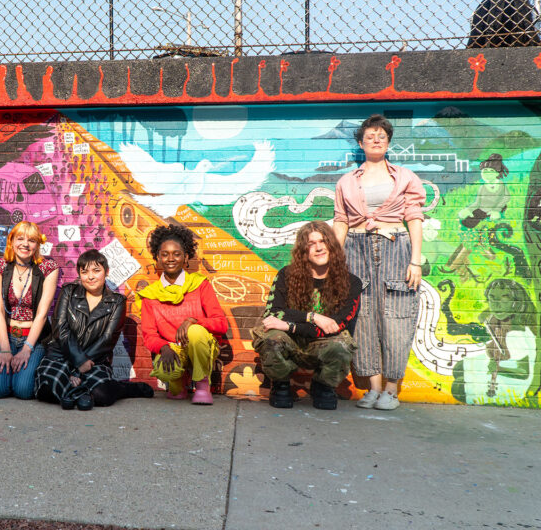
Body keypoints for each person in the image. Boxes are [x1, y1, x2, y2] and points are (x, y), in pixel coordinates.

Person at [333, 114, 425, 411]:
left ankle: (392, 389)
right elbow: (340, 221)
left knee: (397, 317)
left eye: (381, 136)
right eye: (370, 135)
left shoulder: (405, 177)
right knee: (362, 318)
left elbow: (414, 218)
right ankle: (372, 388)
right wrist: (336, 261)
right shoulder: (347, 181)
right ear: (360, 143)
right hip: (355, 249)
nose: (376, 139)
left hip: (396, 246)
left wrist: (416, 261)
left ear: (388, 142)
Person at [252, 222, 363, 410]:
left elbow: (336, 326)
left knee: (342, 345)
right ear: (303, 251)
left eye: (323, 241)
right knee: (271, 337)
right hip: (291, 342)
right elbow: (273, 313)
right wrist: (313, 317)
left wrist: (291, 325)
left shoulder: (351, 282)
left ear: (332, 246)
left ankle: (323, 386)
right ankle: (281, 385)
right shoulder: (286, 275)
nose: (319, 248)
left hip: (322, 344)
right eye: (311, 244)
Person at [35, 250, 154, 410]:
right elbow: (60, 330)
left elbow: (107, 339)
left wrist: (79, 369)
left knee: (102, 394)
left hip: (95, 358)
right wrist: (78, 361)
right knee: (47, 388)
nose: (90, 277)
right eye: (85, 272)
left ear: (106, 272)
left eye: (96, 271)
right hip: (60, 356)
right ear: (80, 275)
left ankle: (120, 389)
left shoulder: (117, 302)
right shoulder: (68, 292)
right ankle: (82, 392)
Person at [135, 224, 227, 405]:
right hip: (173, 349)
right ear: (157, 258)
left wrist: (193, 321)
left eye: (176, 254)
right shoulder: (149, 295)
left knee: (195, 332)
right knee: (165, 368)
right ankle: (178, 384)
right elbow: (149, 336)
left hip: (202, 346)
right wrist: (164, 347)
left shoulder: (200, 285)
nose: (170, 259)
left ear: (186, 258)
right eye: (164, 254)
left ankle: (201, 385)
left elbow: (221, 324)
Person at [0, 221, 59, 399]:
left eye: (32, 240)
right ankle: (7, 369)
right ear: (11, 241)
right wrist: (4, 349)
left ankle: (20, 373)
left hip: (33, 338)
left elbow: (42, 314)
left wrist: (27, 349)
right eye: (20, 239)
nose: (25, 244)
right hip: (6, 334)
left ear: (38, 245)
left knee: (24, 391)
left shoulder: (48, 268)